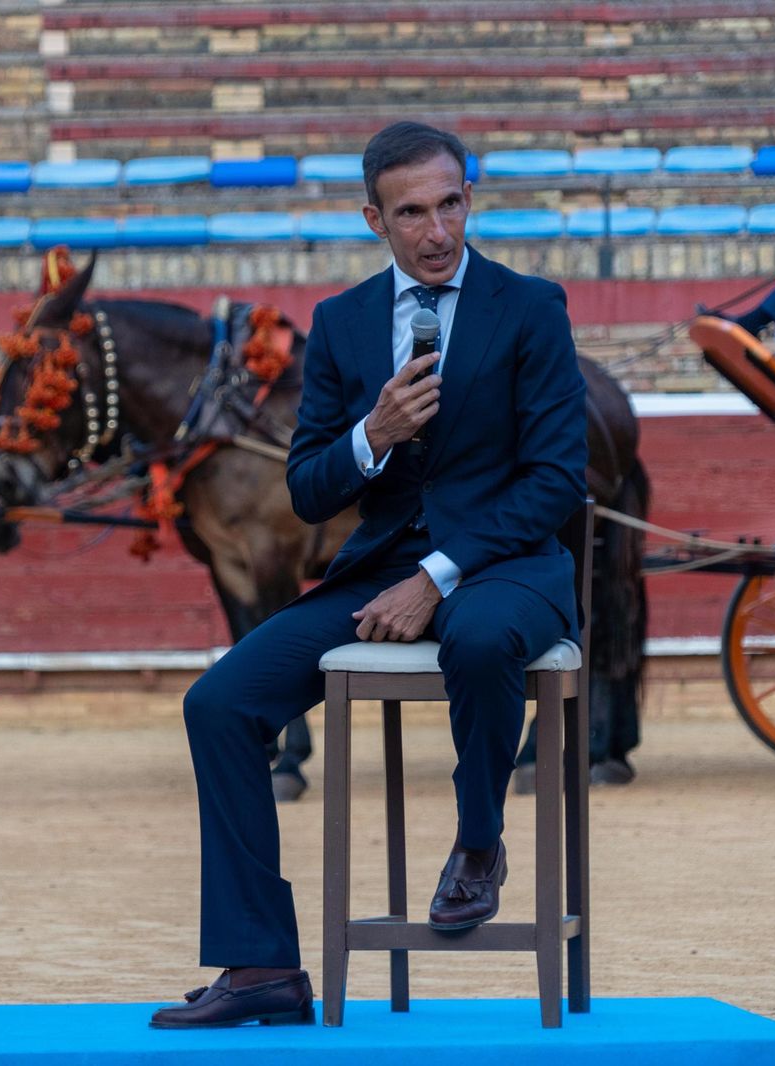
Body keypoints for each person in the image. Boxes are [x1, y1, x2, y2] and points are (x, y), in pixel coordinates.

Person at [150, 121, 586, 1029]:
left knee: (477, 636)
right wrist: (372, 436)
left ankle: (478, 843)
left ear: (470, 200)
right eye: (413, 213)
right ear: (374, 220)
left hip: (508, 566)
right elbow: (310, 489)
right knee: (219, 704)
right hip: (378, 572)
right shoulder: (342, 322)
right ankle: (262, 966)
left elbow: (556, 481)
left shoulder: (530, 306)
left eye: (451, 205)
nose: (438, 231)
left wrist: (437, 575)